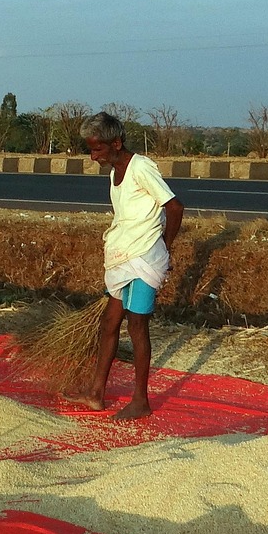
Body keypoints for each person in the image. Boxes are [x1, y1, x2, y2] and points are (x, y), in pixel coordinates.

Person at [79, 112, 184, 420]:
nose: (93, 155)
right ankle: (96, 393)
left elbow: (175, 207)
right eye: (91, 149)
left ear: (116, 143)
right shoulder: (115, 172)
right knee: (109, 324)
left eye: (98, 149)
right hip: (123, 257)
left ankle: (141, 401)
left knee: (137, 326)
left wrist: (165, 247)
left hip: (144, 259)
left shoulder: (141, 168)